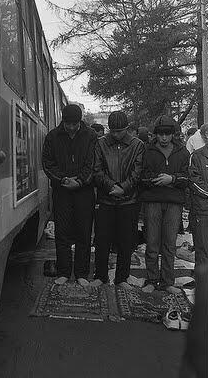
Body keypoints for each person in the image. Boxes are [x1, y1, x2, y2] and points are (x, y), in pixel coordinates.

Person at [42, 104, 97, 287]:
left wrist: (80, 181)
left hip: (84, 190)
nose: (71, 127)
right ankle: (64, 271)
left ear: (80, 121)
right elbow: (47, 163)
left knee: (84, 232)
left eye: (74, 124)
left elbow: (93, 163)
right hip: (62, 190)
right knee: (62, 232)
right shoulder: (53, 136)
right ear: (63, 121)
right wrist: (63, 179)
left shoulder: (90, 136)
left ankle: (81, 273)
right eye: (68, 124)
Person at [91, 111, 144, 290]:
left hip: (129, 201)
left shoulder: (137, 145)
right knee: (102, 239)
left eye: (120, 131)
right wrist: (111, 186)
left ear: (127, 129)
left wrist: (123, 188)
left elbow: (138, 172)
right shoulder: (101, 144)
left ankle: (122, 277)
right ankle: (100, 275)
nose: (116, 135)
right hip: (106, 200)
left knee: (125, 241)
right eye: (113, 131)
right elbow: (97, 170)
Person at [140, 116, 190, 294]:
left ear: (172, 134)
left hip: (174, 203)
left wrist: (172, 179)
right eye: (160, 134)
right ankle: (152, 279)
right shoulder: (148, 151)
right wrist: (158, 180)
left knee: (169, 243)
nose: (163, 138)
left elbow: (187, 178)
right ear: (156, 134)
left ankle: (168, 281)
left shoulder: (183, 152)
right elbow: (142, 177)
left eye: (167, 134)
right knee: (152, 242)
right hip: (153, 201)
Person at [188, 135, 208, 270]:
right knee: (204, 251)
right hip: (203, 211)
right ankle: (204, 286)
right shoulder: (196, 156)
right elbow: (194, 182)